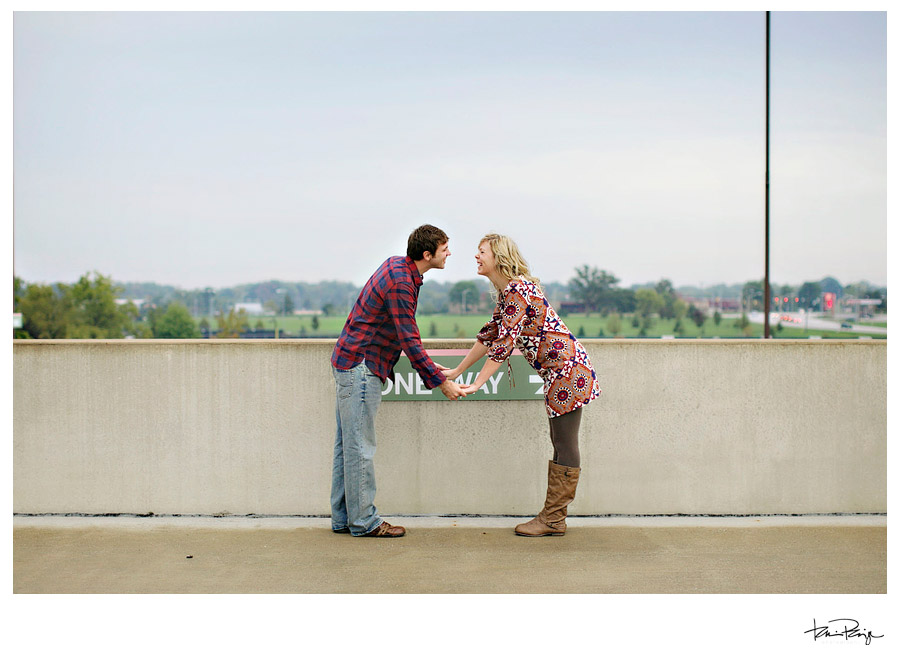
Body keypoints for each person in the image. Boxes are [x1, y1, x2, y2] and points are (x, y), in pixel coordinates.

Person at [444, 233, 601, 537]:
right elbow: (489, 335)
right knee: (560, 442)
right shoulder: (509, 293)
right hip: (560, 373)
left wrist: (476, 384)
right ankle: (553, 518)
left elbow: (504, 343)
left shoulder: (518, 289)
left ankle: (553, 519)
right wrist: (457, 371)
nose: (476, 256)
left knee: (565, 444)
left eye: (482, 251)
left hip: (567, 372)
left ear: (499, 256)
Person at [331, 224, 467, 538]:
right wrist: (441, 381)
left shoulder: (397, 267)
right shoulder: (402, 282)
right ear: (427, 254)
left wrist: (430, 366)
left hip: (351, 362)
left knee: (348, 447)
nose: (449, 253)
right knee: (359, 448)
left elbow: (400, 332)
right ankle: (364, 522)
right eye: (445, 249)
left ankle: (344, 519)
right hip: (361, 366)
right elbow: (409, 338)